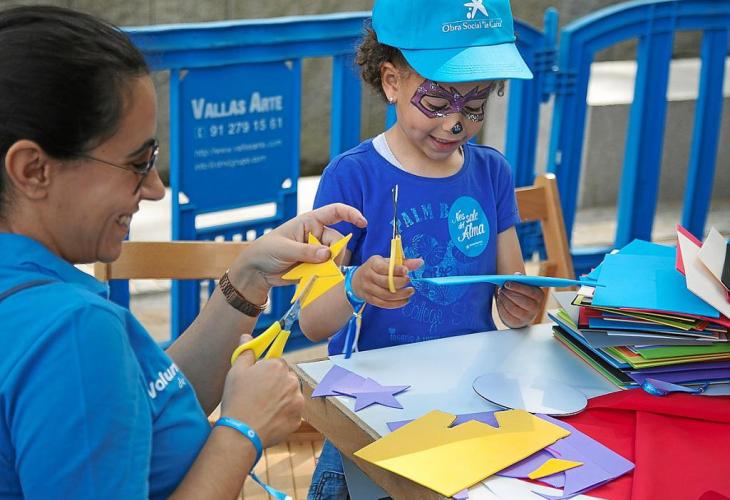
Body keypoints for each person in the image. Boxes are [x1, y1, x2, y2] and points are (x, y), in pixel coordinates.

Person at [0, 6, 367, 499]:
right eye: (138, 162)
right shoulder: (73, 332)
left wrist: (248, 279)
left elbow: (142, 408)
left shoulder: (39, 305)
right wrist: (243, 432)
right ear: (33, 170)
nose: (155, 189)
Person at [300, 0, 546, 497]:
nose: (456, 124)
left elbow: (514, 299)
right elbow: (310, 320)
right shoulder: (353, 177)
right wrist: (355, 286)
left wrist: (524, 306)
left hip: (469, 411)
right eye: (437, 101)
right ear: (392, 81)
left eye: (474, 106)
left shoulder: (491, 173)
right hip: (371, 424)